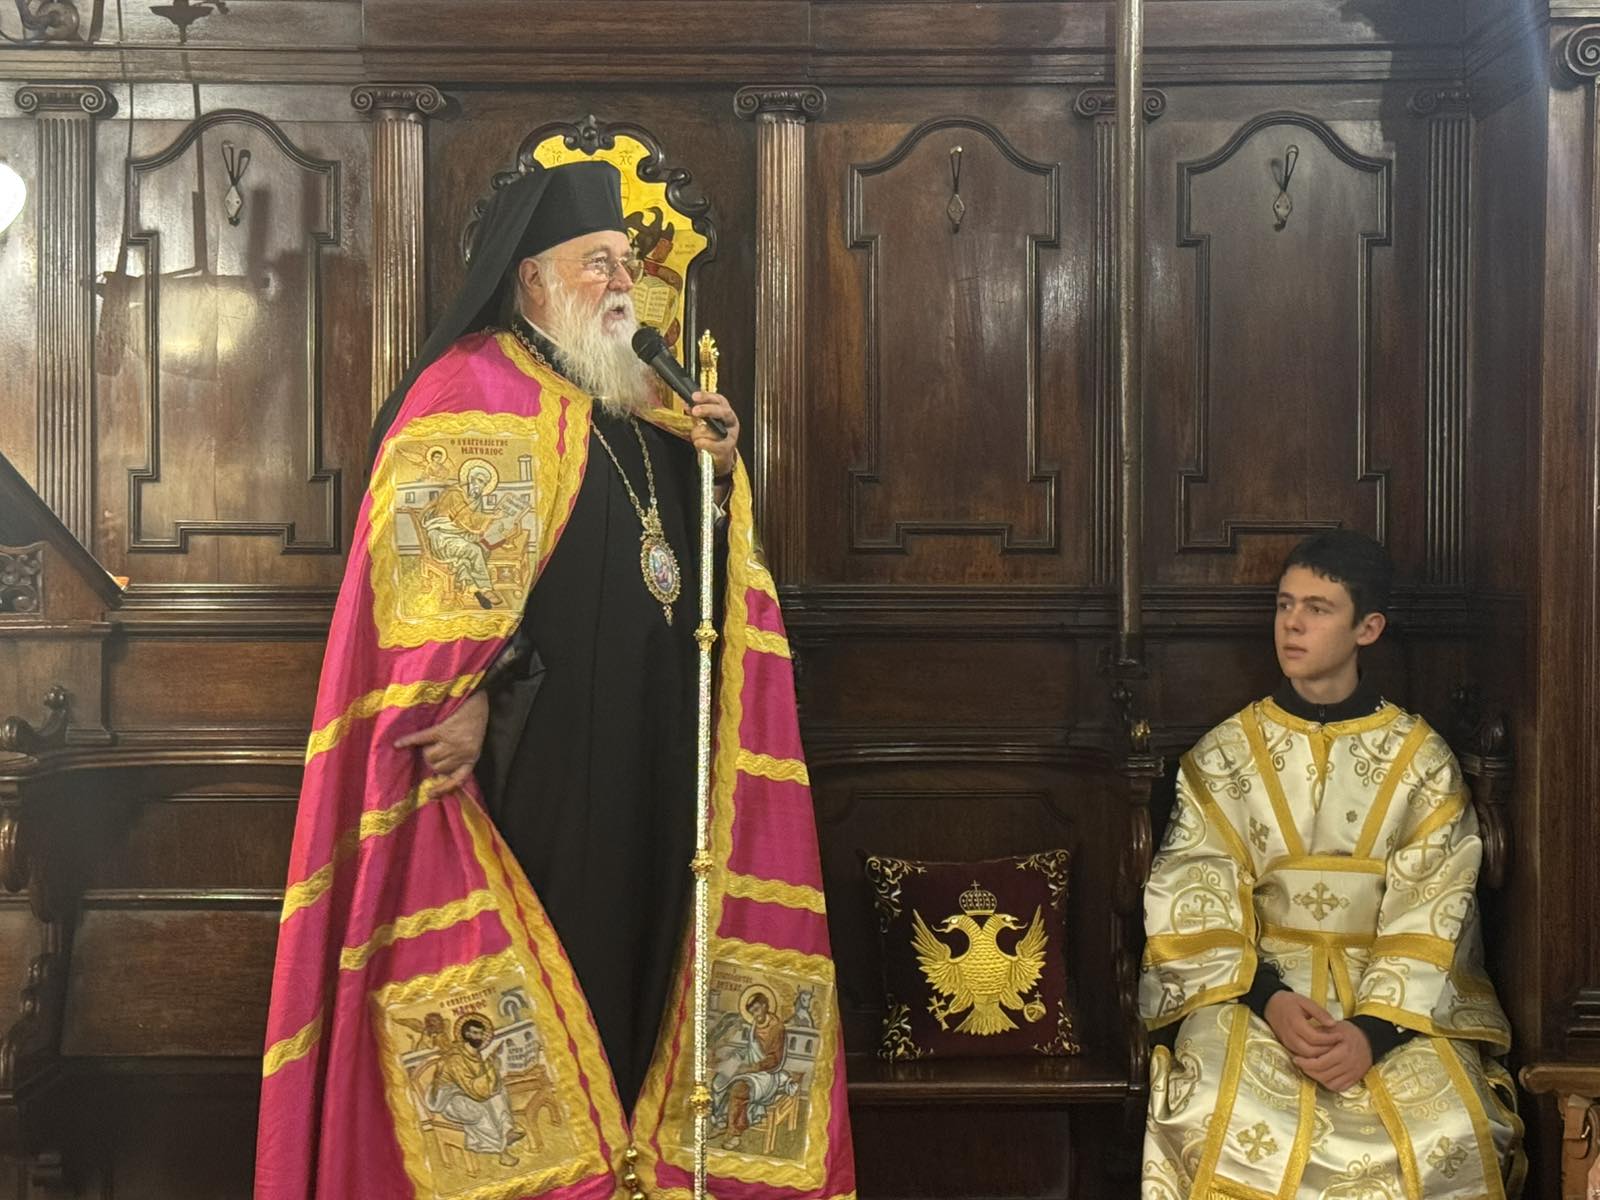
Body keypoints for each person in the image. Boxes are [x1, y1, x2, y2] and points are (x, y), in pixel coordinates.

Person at [256, 161, 855, 1200]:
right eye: (597, 263)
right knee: (560, 980)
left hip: (657, 755)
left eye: (626, 263)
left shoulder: (638, 400)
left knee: (651, 977)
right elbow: (431, 610)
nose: (622, 283)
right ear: (530, 278)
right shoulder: (469, 390)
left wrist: (718, 478)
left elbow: (692, 576)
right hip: (535, 770)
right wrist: (470, 692)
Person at [1139, 531, 1523, 1199]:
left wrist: (1371, 1033)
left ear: (1367, 628)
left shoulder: (1422, 762)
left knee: (1453, 1128)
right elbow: (1190, 894)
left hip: (1394, 1002)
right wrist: (1270, 998)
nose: (1292, 623)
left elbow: (1435, 911)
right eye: (1285, 604)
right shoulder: (1223, 756)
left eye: (1318, 608)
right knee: (1213, 1112)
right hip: (1255, 993)